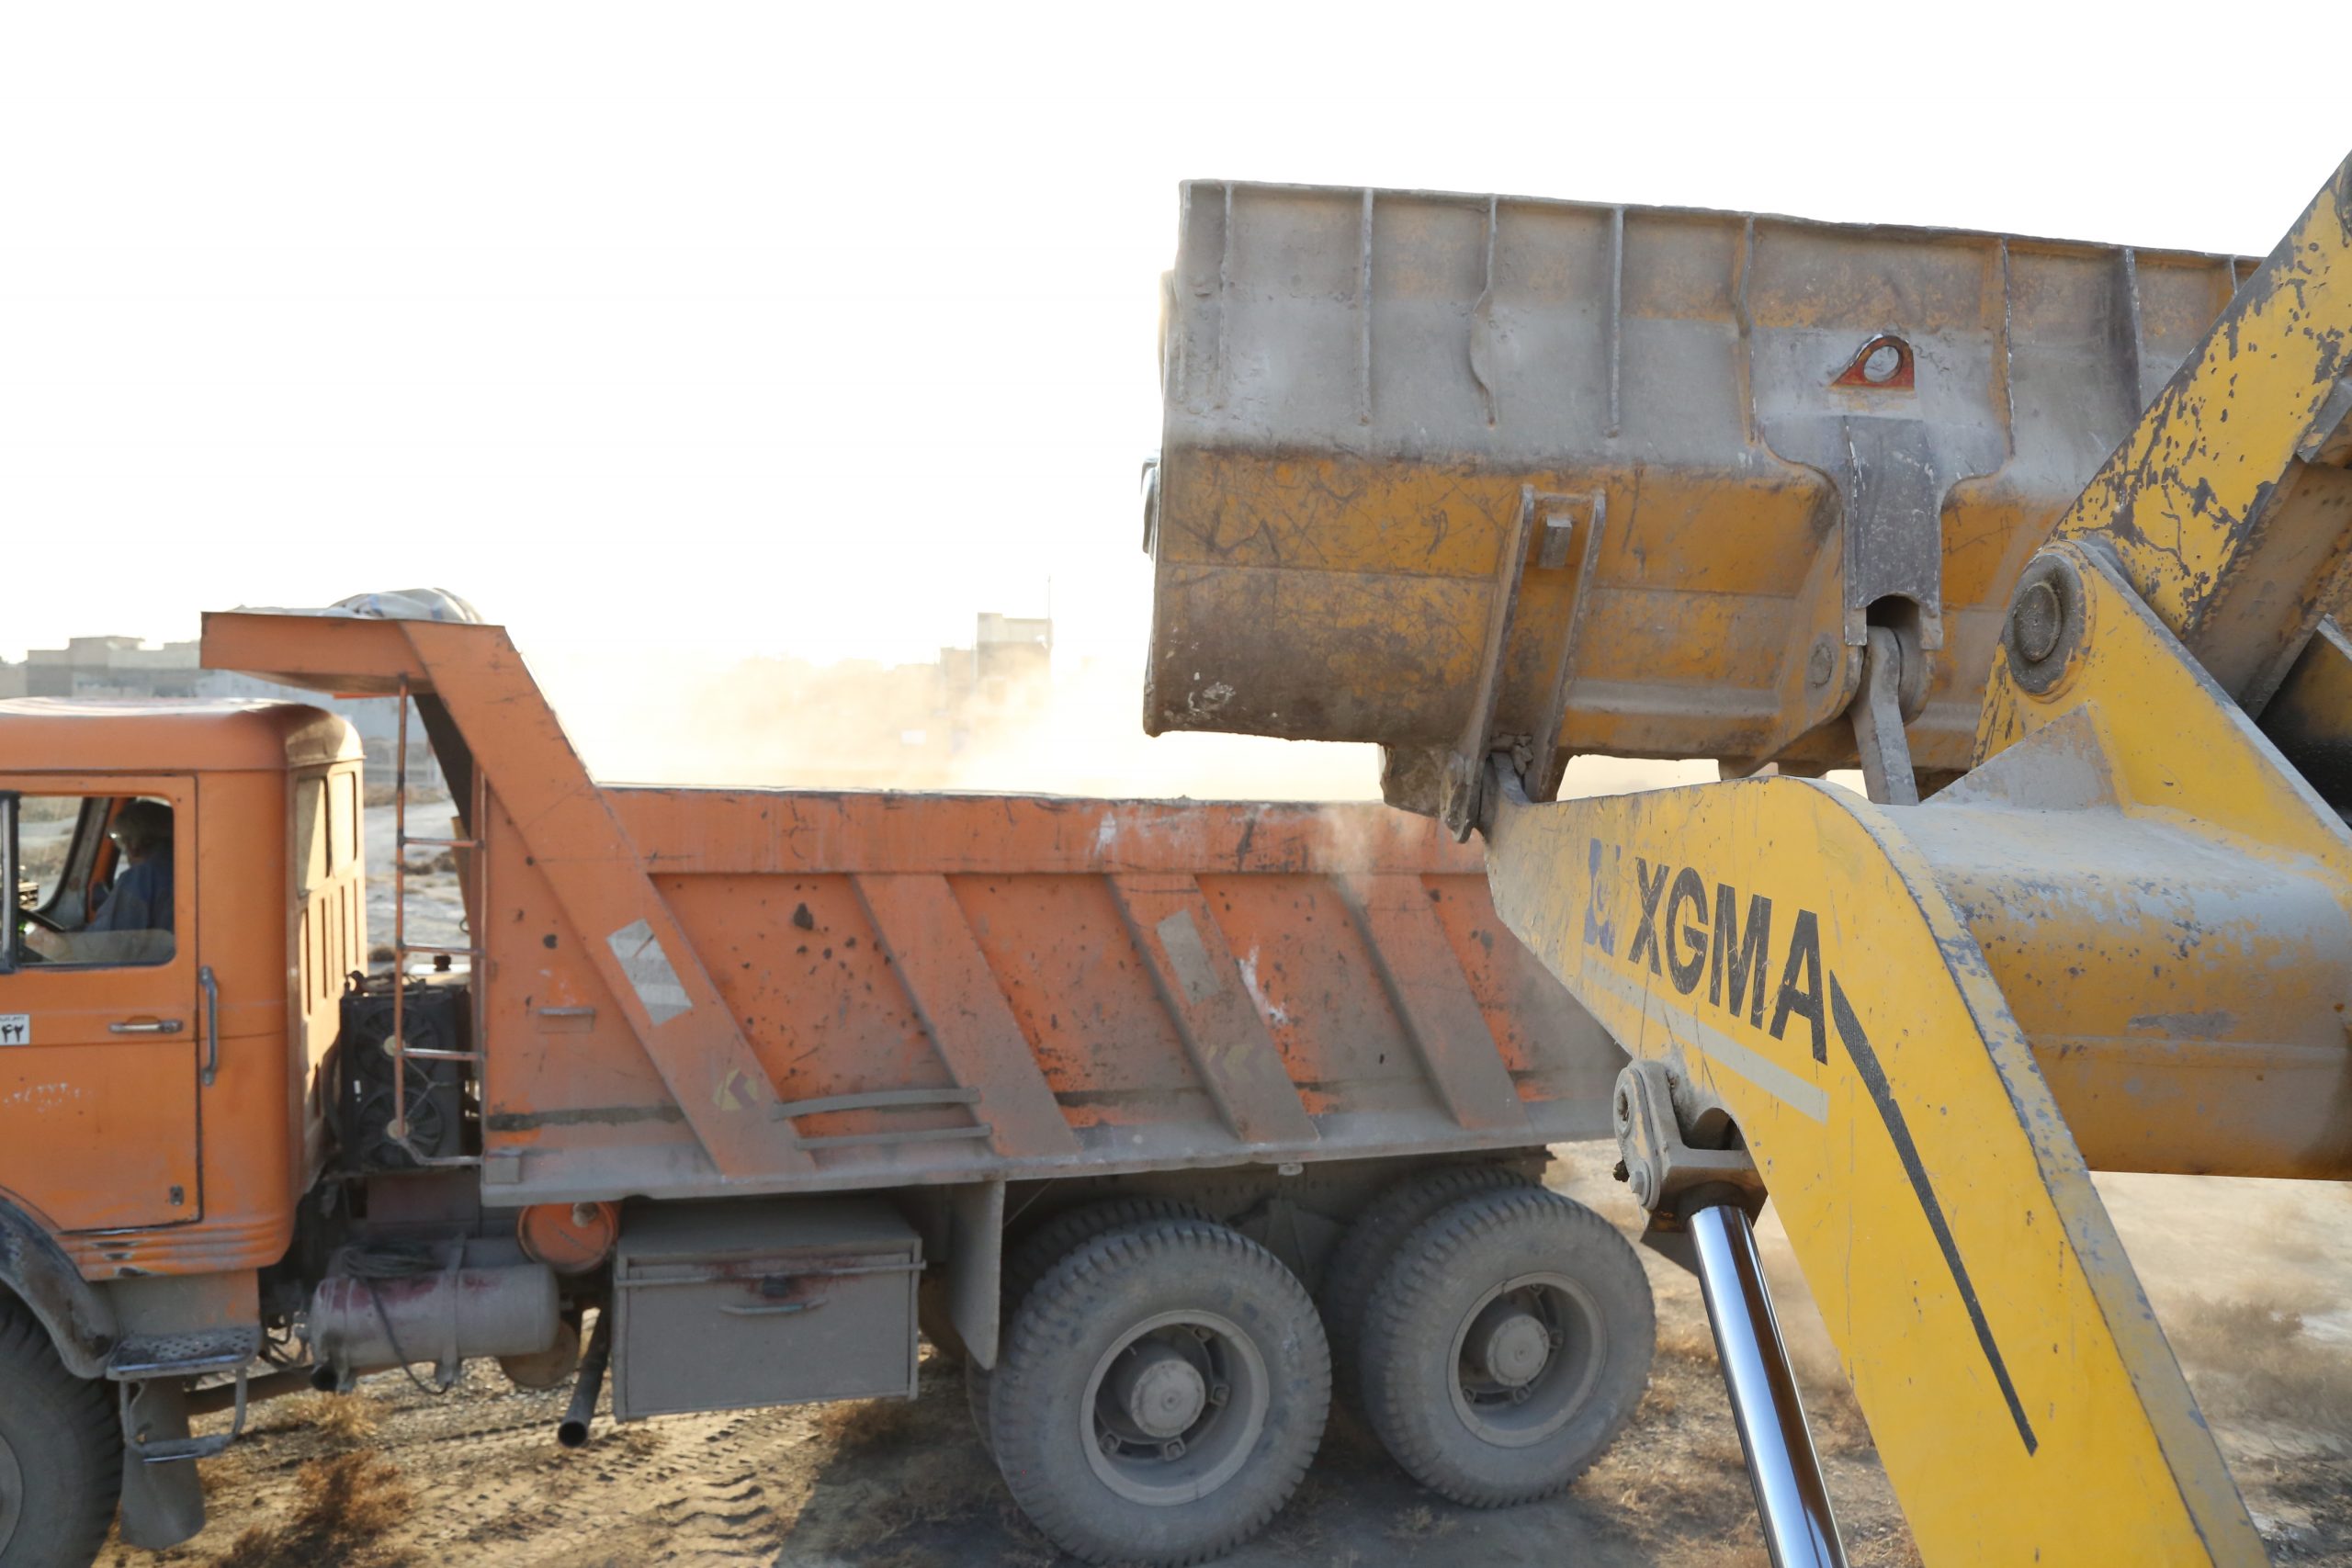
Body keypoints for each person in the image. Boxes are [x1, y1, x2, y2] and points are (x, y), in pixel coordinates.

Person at [25, 799, 175, 964]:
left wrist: (60, 948)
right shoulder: (182, 869)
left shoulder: (142, 878)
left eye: (118, 840)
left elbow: (106, 948)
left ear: (133, 845)